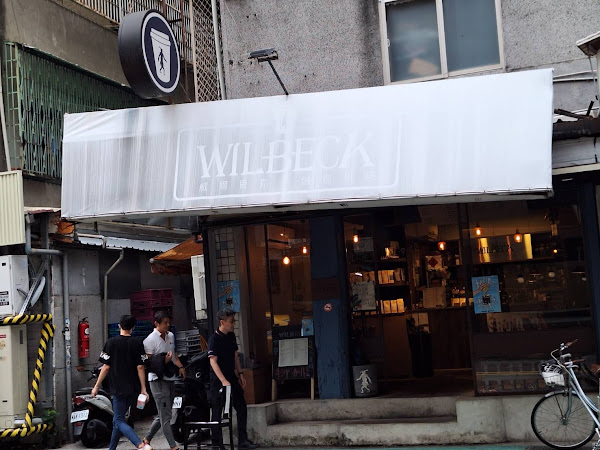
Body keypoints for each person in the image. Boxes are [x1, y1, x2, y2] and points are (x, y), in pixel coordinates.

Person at [92, 315, 151, 450]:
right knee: (117, 421)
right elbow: (140, 367)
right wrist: (143, 388)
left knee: (118, 420)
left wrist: (96, 386)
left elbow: (105, 367)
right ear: (133, 327)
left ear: (119, 326)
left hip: (117, 388)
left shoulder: (111, 343)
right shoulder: (137, 343)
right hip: (133, 388)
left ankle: (140, 444)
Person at [208, 308, 259, 449]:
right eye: (231, 321)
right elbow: (213, 361)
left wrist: (240, 373)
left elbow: (235, 356)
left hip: (231, 376)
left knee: (241, 406)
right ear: (222, 322)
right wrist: (223, 380)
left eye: (234, 321)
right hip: (218, 380)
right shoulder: (214, 339)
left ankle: (243, 440)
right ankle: (216, 443)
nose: (233, 324)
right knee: (217, 411)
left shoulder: (231, 336)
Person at [142, 310, 186, 450]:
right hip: (157, 381)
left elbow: (174, 355)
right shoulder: (149, 340)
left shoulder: (170, 335)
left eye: (169, 322)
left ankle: (147, 439)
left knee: (164, 413)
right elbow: (148, 363)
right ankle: (173, 446)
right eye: (165, 323)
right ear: (156, 323)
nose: (168, 325)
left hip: (170, 377)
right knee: (166, 415)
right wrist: (163, 361)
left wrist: (180, 367)